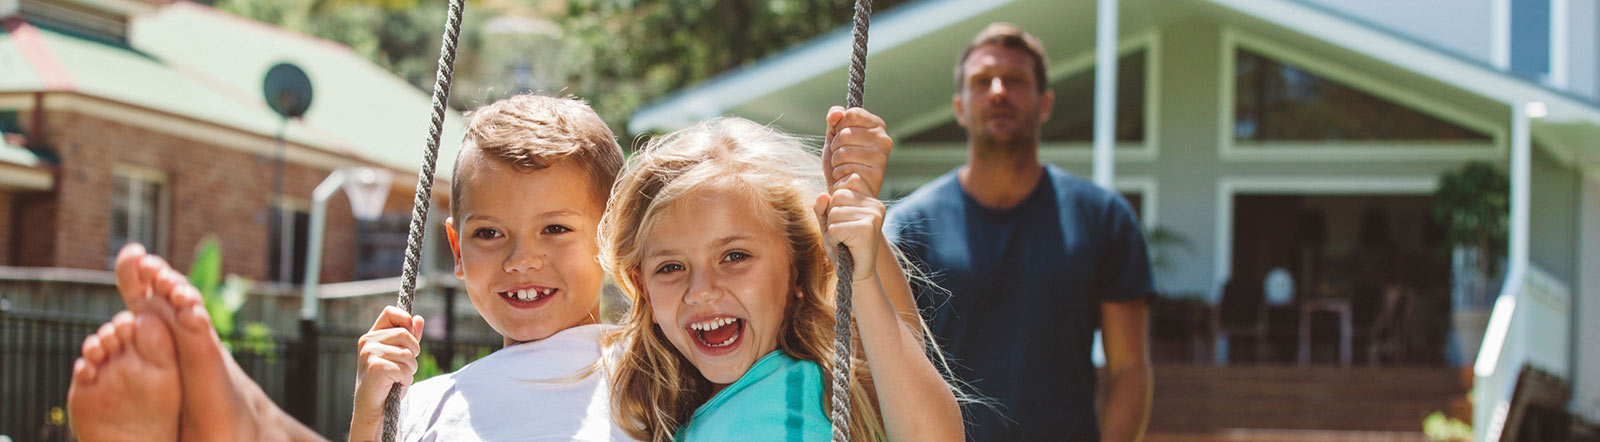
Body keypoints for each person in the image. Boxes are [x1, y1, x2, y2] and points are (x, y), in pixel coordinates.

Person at [599, 116, 962, 441]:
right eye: (671, 268)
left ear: (799, 270)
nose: (701, 291)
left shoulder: (805, 392)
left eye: (735, 256)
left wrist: (862, 259)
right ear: (642, 288)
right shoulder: (665, 419)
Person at [882, 22, 1154, 441]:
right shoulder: (911, 227)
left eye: (1014, 80)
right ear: (959, 106)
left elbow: (1129, 369)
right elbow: (887, 367)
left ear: (1045, 103)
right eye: (981, 81)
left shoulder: (1103, 218)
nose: (997, 91)